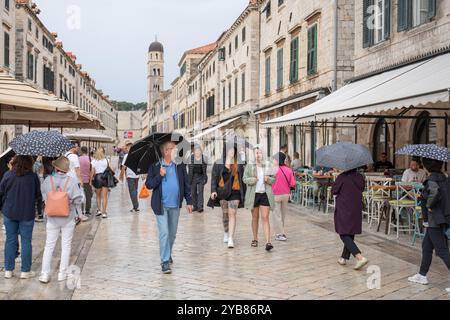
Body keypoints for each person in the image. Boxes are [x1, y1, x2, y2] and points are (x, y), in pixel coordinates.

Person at [145, 141, 193, 274]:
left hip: (175, 205)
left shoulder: (180, 165)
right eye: (173, 149)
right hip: (161, 206)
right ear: (166, 151)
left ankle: (168, 252)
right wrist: (159, 176)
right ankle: (164, 261)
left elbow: (186, 184)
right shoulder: (155, 166)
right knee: (164, 233)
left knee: (172, 235)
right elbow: (149, 185)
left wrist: (189, 201)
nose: (176, 151)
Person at [408, 158, 450, 293]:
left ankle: (422, 274)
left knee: (442, 251)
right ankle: (421, 275)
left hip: (435, 220)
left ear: (426, 166)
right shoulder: (443, 177)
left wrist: (429, 205)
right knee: (426, 246)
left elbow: (434, 193)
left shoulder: (432, 179)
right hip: (440, 217)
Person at [39, 157, 83, 284]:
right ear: (66, 169)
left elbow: (43, 196)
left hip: (52, 218)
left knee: (49, 245)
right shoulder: (72, 181)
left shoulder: (48, 180)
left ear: (56, 167)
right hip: (67, 217)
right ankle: (62, 274)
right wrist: (77, 212)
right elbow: (78, 200)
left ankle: (44, 274)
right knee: (66, 245)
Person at [1, 156, 41, 279]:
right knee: (26, 242)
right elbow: (37, 194)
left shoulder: (8, 175)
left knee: (10, 241)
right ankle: (25, 271)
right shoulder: (33, 177)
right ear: (30, 164)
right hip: (27, 213)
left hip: (10, 211)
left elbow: (1, 192)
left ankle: (8, 270)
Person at [332, 168, 369, 270]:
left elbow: (334, 191)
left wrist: (336, 180)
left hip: (344, 207)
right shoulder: (360, 177)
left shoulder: (342, 177)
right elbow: (361, 188)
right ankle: (343, 257)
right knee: (350, 231)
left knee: (343, 232)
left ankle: (359, 257)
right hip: (356, 207)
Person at [210, 144, 246, 249]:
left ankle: (230, 238)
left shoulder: (238, 163)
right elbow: (214, 178)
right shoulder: (218, 163)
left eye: (233, 149)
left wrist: (244, 157)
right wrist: (213, 191)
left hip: (235, 192)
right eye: (230, 149)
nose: (232, 151)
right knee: (225, 214)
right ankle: (226, 232)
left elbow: (244, 174)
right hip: (222, 192)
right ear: (225, 150)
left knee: (232, 213)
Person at [243, 146, 275, 251]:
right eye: (256, 152)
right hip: (254, 194)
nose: (258, 154)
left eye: (260, 152)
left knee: (265, 217)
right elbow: (244, 179)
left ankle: (268, 242)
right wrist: (253, 179)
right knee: (255, 217)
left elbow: (274, 178)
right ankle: (255, 239)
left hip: (265, 194)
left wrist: (268, 179)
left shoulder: (268, 165)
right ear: (254, 154)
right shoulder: (250, 165)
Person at [271, 152, 295, 242]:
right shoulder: (289, 170)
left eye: (274, 159)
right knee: (283, 215)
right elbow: (292, 183)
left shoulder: (273, 169)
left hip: (275, 194)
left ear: (277, 160)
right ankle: (280, 232)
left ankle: (280, 234)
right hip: (286, 195)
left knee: (277, 215)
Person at [65, 142, 87, 223]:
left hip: (66, 179)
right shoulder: (74, 156)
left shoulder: (64, 155)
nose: (78, 149)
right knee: (77, 198)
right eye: (77, 147)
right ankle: (79, 215)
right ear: (73, 147)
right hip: (74, 179)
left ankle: (75, 215)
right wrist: (81, 180)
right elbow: (77, 170)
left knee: (69, 198)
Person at [120, 142, 140, 213]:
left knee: (132, 191)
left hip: (130, 176)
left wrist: (121, 175)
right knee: (135, 191)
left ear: (129, 148)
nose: (126, 149)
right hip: (137, 176)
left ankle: (135, 207)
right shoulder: (137, 155)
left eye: (127, 148)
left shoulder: (126, 156)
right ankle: (136, 206)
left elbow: (124, 166)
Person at [91, 147, 110, 218]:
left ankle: (99, 210)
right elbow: (110, 168)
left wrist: (90, 180)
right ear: (103, 152)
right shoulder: (107, 160)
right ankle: (104, 212)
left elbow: (92, 172)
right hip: (105, 178)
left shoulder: (94, 161)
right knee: (104, 196)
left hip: (97, 178)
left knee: (98, 196)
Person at [188, 145, 208, 213]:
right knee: (193, 192)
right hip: (193, 177)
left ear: (201, 151)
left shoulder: (204, 158)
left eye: (199, 151)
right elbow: (189, 169)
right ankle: (195, 206)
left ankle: (200, 207)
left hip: (201, 176)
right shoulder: (191, 158)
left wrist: (205, 178)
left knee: (200, 191)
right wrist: (189, 179)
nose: (197, 152)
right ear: (194, 152)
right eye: (196, 151)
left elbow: (205, 169)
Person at [79, 147, 93, 216]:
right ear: (87, 151)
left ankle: (81, 210)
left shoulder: (78, 159)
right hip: (88, 180)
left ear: (81, 151)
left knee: (80, 196)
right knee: (88, 196)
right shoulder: (90, 159)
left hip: (80, 180)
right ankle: (87, 210)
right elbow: (92, 170)